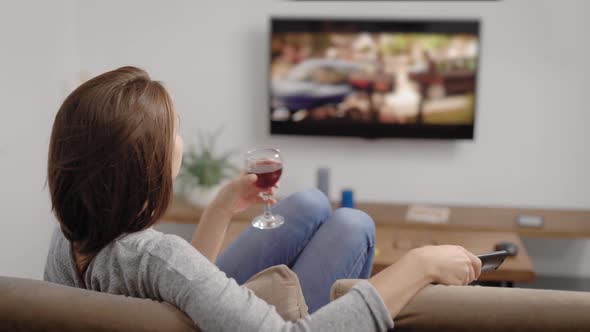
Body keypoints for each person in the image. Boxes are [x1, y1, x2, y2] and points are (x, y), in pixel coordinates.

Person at [44, 66, 482, 331]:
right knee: (353, 224)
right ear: (146, 164)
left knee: (311, 202)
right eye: (174, 129)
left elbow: (167, 282)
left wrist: (220, 208)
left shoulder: (69, 243)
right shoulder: (159, 256)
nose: (180, 140)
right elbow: (170, 269)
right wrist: (419, 264)